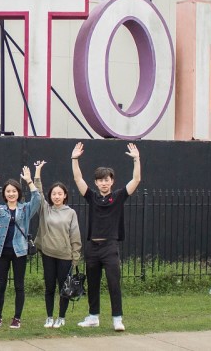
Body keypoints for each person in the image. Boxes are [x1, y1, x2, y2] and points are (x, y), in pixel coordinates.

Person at [71, 141, 141, 332]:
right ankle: (93, 316)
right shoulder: (91, 196)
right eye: (100, 180)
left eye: (107, 180)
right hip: (92, 247)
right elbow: (78, 180)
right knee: (93, 284)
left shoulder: (118, 196)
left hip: (110, 247)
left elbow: (135, 181)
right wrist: (74, 159)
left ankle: (117, 319)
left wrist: (136, 159)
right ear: (96, 182)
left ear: (112, 181)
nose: (104, 183)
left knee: (113, 283)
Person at [0, 166, 41, 330]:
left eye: (14, 191)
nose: (11, 193)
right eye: (8, 191)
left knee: (19, 285)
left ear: (19, 193)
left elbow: (37, 199)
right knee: (1, 284)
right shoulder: (0, 210)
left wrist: (29, 181)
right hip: (1, 251)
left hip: (19, 251)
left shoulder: (26, 208)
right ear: (4, 194)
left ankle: (17, 318)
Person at [33, 160, 81, 329]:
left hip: (65, 257)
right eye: (54, 194)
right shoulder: (45, 209)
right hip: (48, 254)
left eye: (60, 193)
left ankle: (61, 317)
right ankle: (49, 317)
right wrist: (37, 171)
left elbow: (75, 236)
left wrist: (75, 258)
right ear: (51, 196)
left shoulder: (71, 213)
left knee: (64, 288)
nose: (57, 196)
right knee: (49, 288)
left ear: (65, 195)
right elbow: (37, 192)